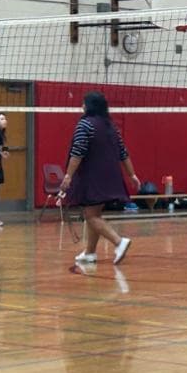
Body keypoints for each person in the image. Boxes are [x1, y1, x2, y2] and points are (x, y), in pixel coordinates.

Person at [61, 92, 139, 265]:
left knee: (90, 215)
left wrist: (68, 175)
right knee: (94, 213)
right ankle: (90, 253)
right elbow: (123, 153)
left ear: (88, 106)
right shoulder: (111, 126)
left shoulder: (85, 124)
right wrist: (132, 174)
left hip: (93, 176)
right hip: (111, 175)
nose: (81, 106)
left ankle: (119, 242)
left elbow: (77, 152)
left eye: (83, 103)